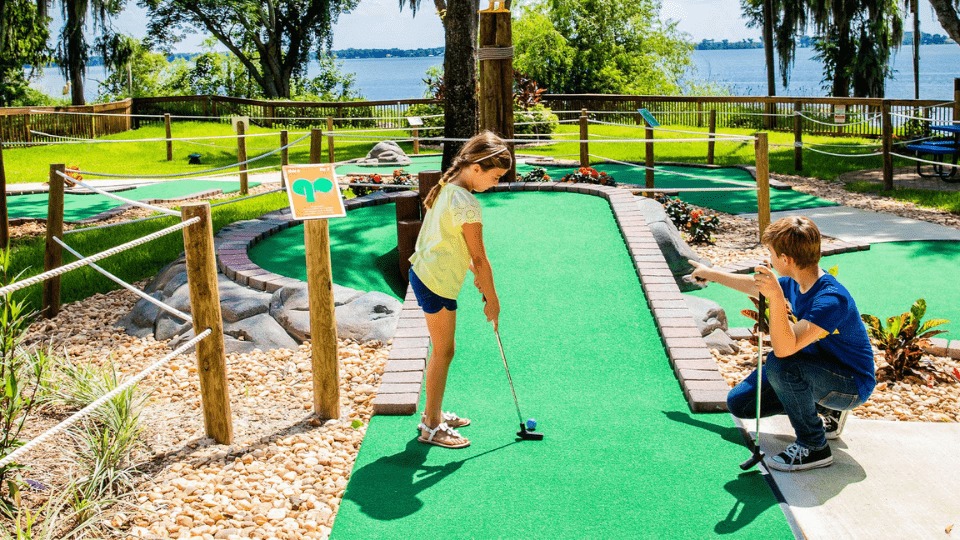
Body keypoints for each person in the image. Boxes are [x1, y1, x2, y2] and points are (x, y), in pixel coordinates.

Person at [688, 216, 876, 472]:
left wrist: (775, 297)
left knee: (782, 365)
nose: (771, 259)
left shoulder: (831, 300)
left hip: (851, 384)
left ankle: (814, 446)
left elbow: (785, 348)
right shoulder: (799, 283)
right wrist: (710, 273)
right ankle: (825, 408)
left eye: (772, 254)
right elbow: (754, 287)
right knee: (740, 403)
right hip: (818, 370)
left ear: (786, 259)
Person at [409, 131, 512, 449]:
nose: (495, 184)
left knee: (443, 350)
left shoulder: (449, 188)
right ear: (477, 168)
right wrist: (493, 300)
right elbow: (480, 257)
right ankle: (431, 424)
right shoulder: (467, 204)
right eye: (494, 177)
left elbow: (449, 242)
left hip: (425, 271)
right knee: (444, 351)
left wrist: (474, 275)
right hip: (436, 282)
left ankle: (434, 411)